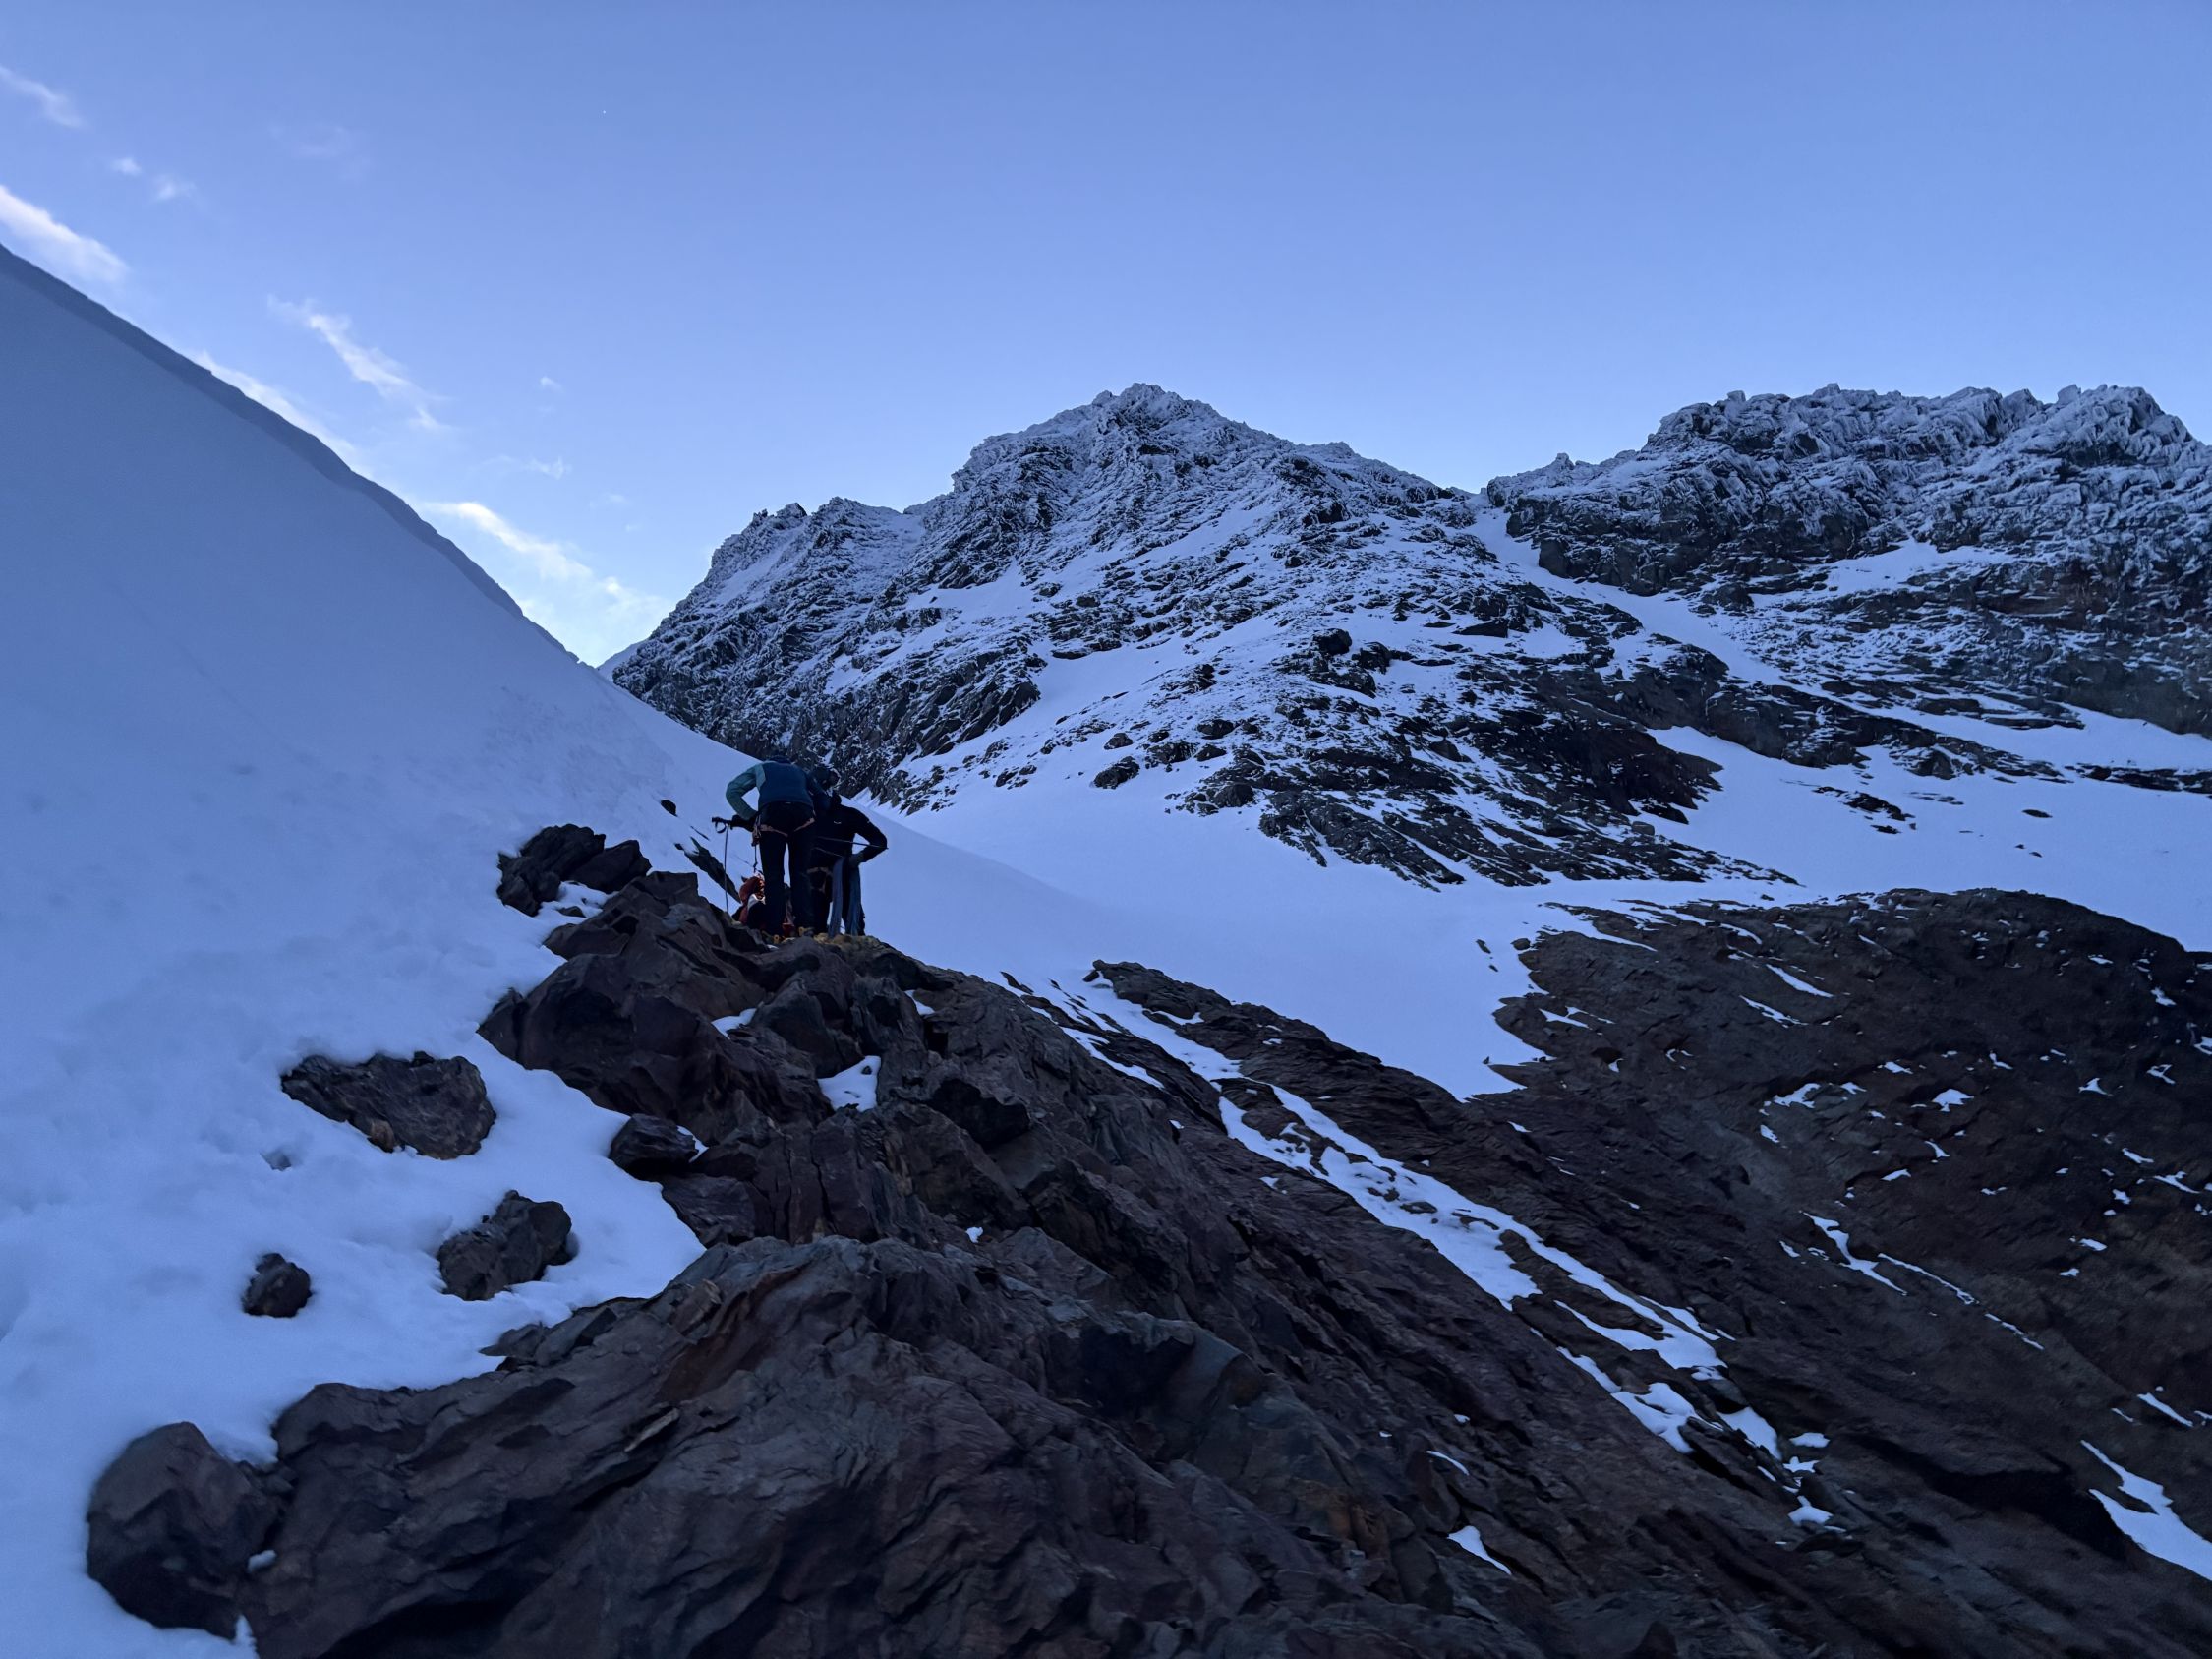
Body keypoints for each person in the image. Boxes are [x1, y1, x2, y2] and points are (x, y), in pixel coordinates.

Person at [715, 759, 818, 934]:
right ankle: (805, 926)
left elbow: (732, 791)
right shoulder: (800, 772)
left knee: (773, 876)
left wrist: (751, 817)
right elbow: (822, 799)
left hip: (772, 816)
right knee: (800, 873)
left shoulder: (761, 767)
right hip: (805, 817)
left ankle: (774, 930)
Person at [803, 764, 888, 937]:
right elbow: (879, 841)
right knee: (819, 928)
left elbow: (879, 841)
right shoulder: (809, 813)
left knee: (822, 930)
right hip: (824, 877)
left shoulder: (845, 815)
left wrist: (860, 857)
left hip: (837, 874)